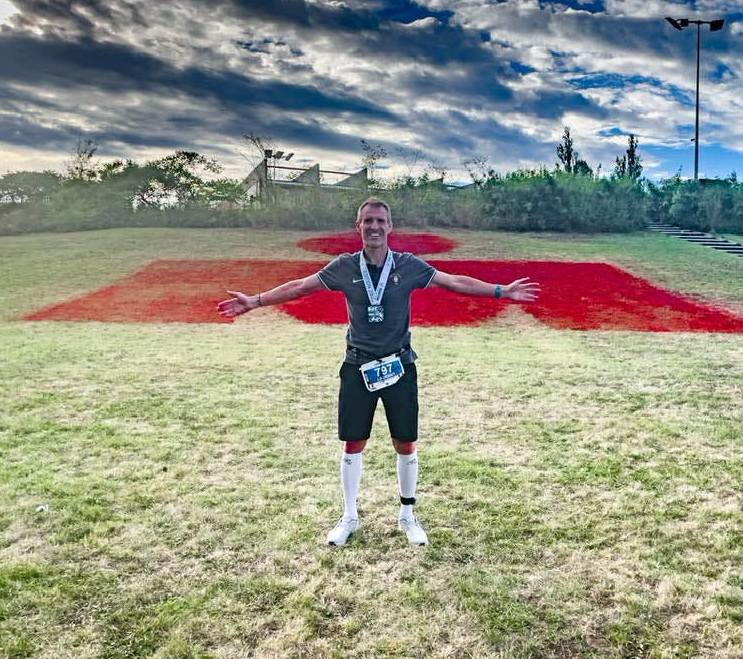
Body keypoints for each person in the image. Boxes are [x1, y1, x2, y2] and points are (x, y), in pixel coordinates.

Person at [217, 198, 540, 547]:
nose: (374, 226)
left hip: (400, 365)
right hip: (358, 366)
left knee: (405, 442)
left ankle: (407, 516)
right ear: (358, 227)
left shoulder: (408, 265)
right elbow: (300, 286)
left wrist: (500, 291)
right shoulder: (344, 267)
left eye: (380, 221)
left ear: (390, 227)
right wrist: (255, 301)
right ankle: (349, 516)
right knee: (353, 442)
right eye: (367, 221)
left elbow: (452, 282)